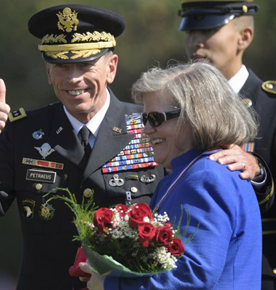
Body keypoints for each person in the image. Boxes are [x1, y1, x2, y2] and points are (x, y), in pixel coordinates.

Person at [0, 4, 263, 290]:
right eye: (60, 66)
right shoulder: (22, 132)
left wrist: (253, 166)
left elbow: (208, 206)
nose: (73, 79)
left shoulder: (155, 126)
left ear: (111, 67)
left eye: (85, 65)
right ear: (47, 72)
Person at [81, 61, 262, 289]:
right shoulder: (195, 171)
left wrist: (111, 284)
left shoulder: (205, 177)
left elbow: (194, 274)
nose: (146, 130)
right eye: (144, 119)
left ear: (195, 116)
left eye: (156, 119)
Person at [178, 0, 276, 287]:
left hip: (256, 272)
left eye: (207, 31)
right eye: (190, 31)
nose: (195, 42)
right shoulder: (175, 109)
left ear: (243, 37)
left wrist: (259, 176)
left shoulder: (270, 108)